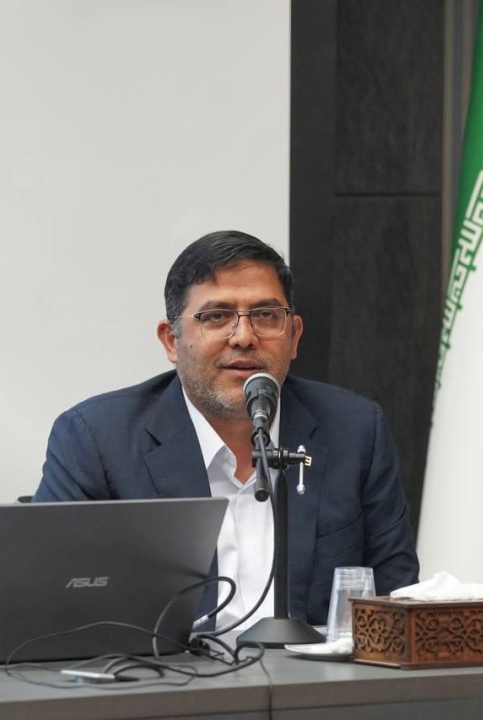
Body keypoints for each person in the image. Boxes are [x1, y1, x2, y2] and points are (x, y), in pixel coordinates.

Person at [32, 230, 419, 628]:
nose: (244, 338)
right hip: (169, 668)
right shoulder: (98, 439)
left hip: (311, 668)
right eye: (216, 317)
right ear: (171, 340)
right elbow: (47, 607)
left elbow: (398, 600)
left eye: (266, 315)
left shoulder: (354, 430)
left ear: (294, 336)